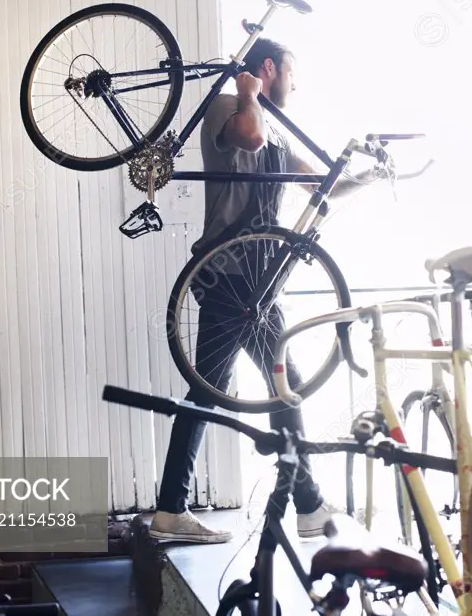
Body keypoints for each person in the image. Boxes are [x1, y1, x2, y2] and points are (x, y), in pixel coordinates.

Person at [150, 37, 379, 544]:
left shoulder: (273, 126)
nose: (295, 86)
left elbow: (324, 185)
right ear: (270, 68)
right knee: (279, 386)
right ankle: (307, 504)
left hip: (256, 283)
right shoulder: (231, 107)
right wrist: (248, 89)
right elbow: (248, 139)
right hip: (229, 275)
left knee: (219, 392)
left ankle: (176, 509)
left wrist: (371, 176)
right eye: (291, 75)